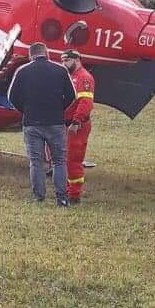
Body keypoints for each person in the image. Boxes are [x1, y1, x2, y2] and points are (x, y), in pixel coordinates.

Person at [6, 40, 76, 207]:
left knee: (36, 162)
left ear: (30, 55)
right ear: (47, 53)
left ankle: (39, 197)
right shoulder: (60, 70)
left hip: (32, 123)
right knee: (59, 161)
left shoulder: (22, 71)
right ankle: (62, 198)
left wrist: (26, 110)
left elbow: (11, 97)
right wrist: (59, 109)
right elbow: (72, 95)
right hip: (55, 122)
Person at [62, 50, 96, 205]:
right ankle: (68, 189)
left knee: (73, 160)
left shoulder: (84, 77)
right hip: (67, 124)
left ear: (76, 60)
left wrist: (76, 122)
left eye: (67, 60)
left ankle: (74, 195)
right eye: (62, 60)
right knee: (65, 159)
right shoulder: (71, 76)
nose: (64, 64)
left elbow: (85, 103)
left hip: (77, 126)